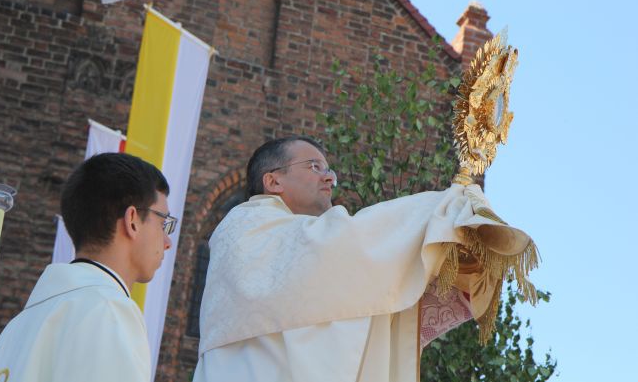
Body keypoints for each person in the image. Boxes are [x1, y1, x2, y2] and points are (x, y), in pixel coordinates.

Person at [194, 136, 534, 382]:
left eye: (330, 170)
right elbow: (338, 249)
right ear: (273, 180)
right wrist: (440, 210)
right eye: (314, 167)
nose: (329, 177)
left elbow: (348, 299)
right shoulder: (244, 225)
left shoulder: (306, 242)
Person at [0, 153, 175, 382]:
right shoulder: (107, 311)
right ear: (132, 220)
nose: (167, 242)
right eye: (163, 222)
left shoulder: (15, 329)